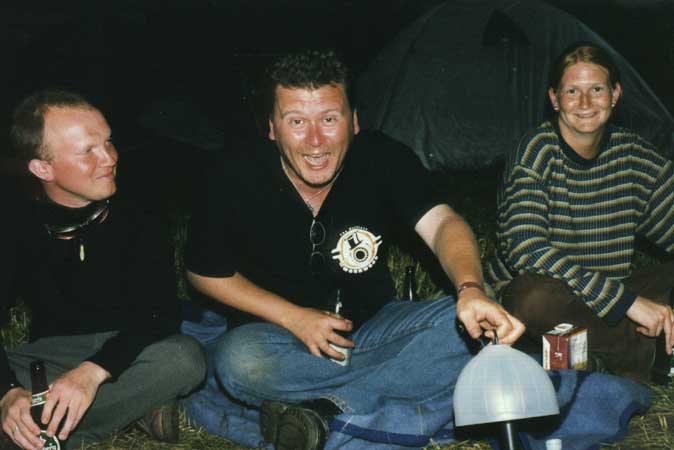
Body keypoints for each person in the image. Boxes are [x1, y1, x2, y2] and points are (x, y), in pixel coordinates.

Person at [182, 49, 525, 450]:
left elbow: (444, 224)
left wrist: (471, 289)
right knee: (239, 361)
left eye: (329, 119)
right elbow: (204, 272)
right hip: (278, 337)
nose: (315, 141)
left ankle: (324, 411)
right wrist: (295, 318)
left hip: (376, 328)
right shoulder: (235, 173)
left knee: (477, 325)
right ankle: (386, 395)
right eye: (296, 122)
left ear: (355, 121)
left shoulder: (382, 157)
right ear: (272, 128)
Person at [0, 89, 206, 450]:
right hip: (52, 356)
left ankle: (39, 433)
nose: (109, 158)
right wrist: (8, 392)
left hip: (131, 351)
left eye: (108, 142)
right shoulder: (15, 222)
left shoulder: (139, 212)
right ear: (43, 168)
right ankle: (132, 408)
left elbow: (159, 315)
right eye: (88, 152)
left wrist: (92, 373)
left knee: (184, 358)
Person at [486, 42, 674, 383]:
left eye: (596, 89)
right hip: (546, 296)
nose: (585, 103)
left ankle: (585, 360)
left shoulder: (632, 154)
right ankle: (642, 355)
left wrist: (623, 298)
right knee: (533, 300)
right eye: (572, 91)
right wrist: (628, 303)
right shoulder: (536, 152)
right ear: (555, 99)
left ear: (615, 95)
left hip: (606, 296)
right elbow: (526, 248)